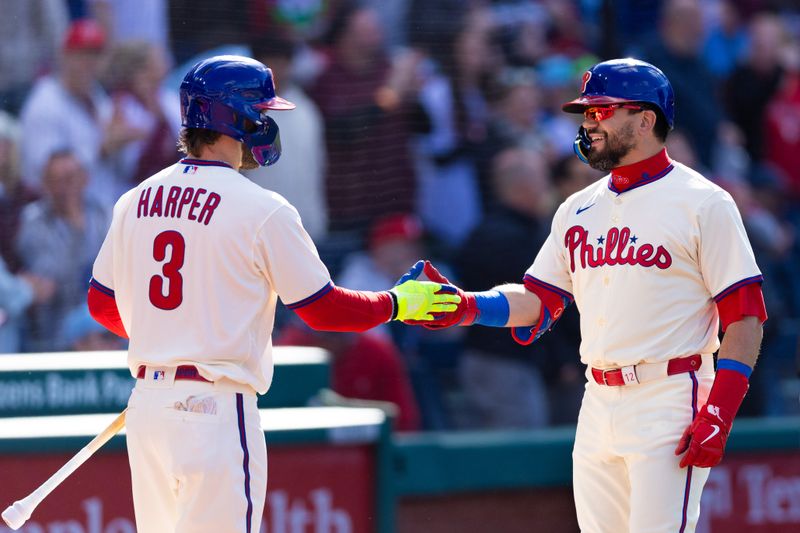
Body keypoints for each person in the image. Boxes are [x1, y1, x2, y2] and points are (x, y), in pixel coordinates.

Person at [86, 55, 459, 533]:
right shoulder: (262, 208)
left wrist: (168, 338)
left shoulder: (135, 199)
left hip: (149, 408)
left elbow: (100, 302)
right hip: (215, 409)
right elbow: (323, 310)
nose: (265, 123)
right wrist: (400, 302)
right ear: (231, 117)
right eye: (259, 112)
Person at [408, 58, 767, 532]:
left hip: (671, 394)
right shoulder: (577, 209)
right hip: (597, 399)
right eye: (585, 113)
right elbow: (538, 300)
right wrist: (465, 305)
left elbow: (745, 316)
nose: (588, 123)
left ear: (645, 120)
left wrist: (720, 408)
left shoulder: (704, 201)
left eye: (601, 111)